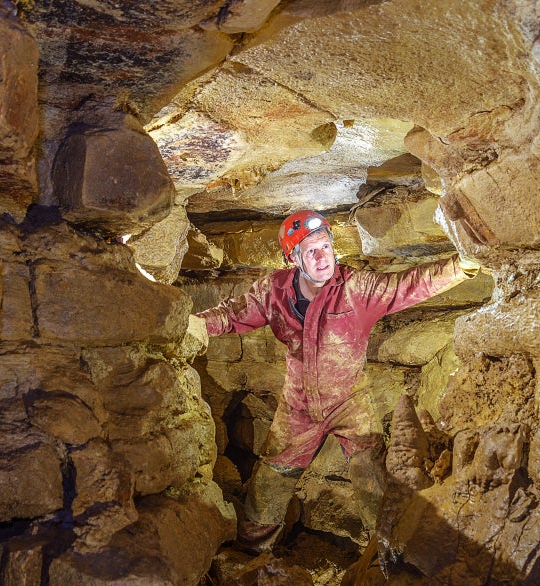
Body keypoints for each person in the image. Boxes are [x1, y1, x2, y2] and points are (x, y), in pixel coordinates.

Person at [191, 209, 479, 552]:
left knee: (372, 477)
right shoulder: (274, 292)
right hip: (297, 406)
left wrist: (461, 267)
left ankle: (388, 556)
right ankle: (251, 553)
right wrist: (190, 324)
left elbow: (408, 285)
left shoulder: (356, 287)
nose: (321, 256)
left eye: (325, 246)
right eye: (310, 251)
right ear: (294, 259)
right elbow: (232, 314)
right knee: (271, 482)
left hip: (349, 402)